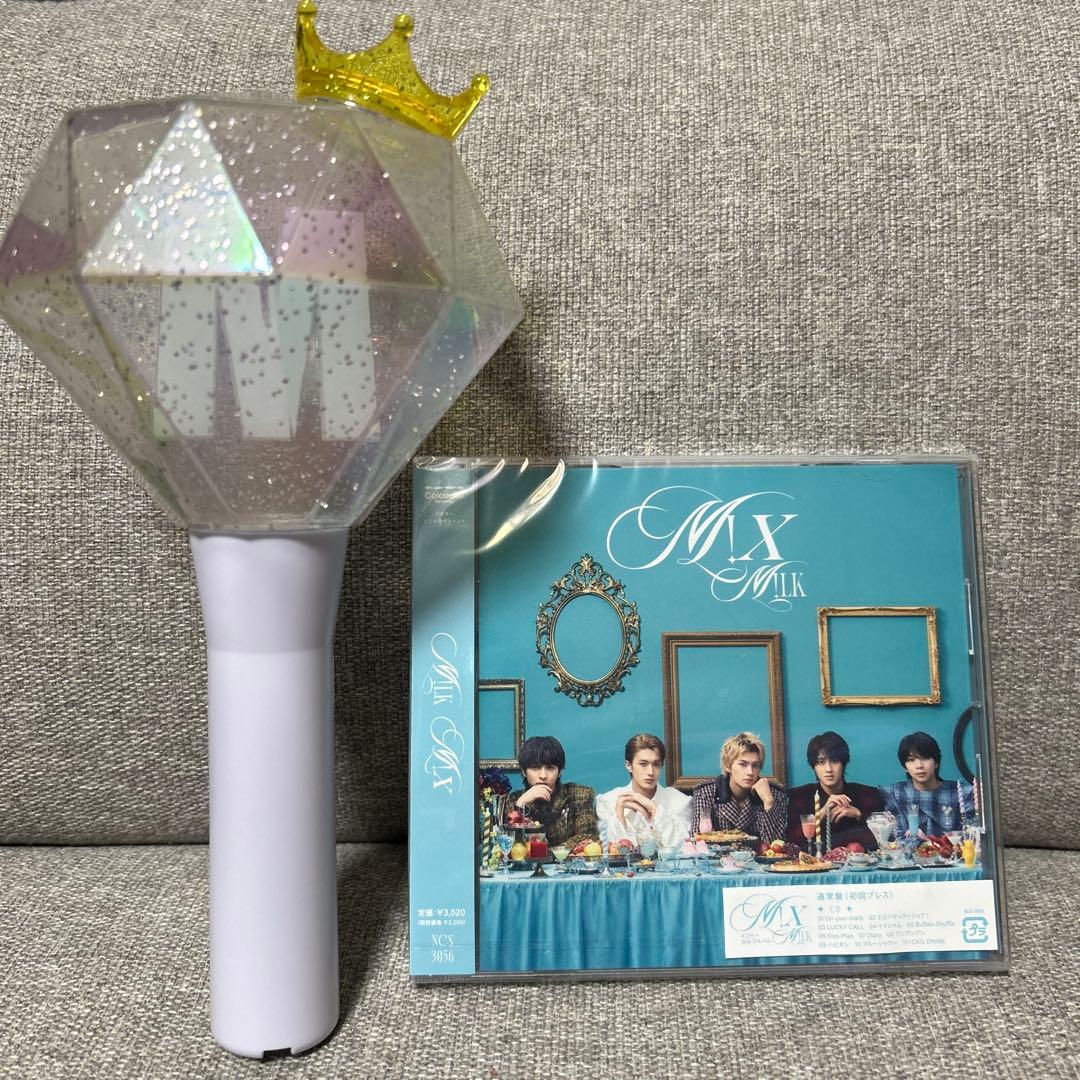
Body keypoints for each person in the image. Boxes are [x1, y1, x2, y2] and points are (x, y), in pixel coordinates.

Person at [785, 731, 885, 851]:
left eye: (834, 761)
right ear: (813, 766)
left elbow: (884, 840)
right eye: (821, 762)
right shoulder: (799, 796)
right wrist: (822, 813)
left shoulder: (868, 795)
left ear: (844, 764)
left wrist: (858, 815)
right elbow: (791, 842)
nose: (828, 769)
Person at [594, 733, 691, 849]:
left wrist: (654, 809)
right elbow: (610, 851)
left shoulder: (680, 802)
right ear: (628, 765)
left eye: (656, 764)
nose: (650, 772)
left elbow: (683, 847)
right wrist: (620, 813)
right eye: (643, 764)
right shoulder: (607, 801)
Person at [689, 732, 788, 843]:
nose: (750, 772)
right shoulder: (707, 792)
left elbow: (777, 846)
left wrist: (768, 801)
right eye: (743, 764)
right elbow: (698, 841)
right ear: (727, 766)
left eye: (755, 765)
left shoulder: (774, 794)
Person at [507, 735, 598, 848]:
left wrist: (546, 852)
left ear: (560, 771)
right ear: (524, 772)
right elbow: (511, 847)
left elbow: (587, 837)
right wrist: (520, 806)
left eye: (550, 768)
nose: (543, 776)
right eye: (535, 768)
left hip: (566, 860)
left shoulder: (580, 795)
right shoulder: (514, 800)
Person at [879, 731, 974, 839]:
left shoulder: (960, 792)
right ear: (905, 767)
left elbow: (970, 837)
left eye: (925, 758)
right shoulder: (895, 794)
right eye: (911, 760)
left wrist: (928, 841)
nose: (919, 765)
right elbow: (897, 837)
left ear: (936, 762)